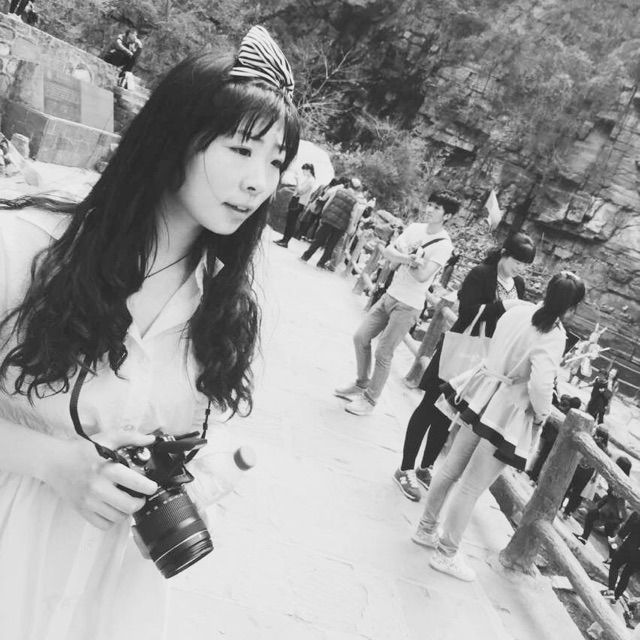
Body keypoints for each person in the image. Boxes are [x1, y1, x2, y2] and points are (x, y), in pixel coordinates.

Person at [0, 26, 299, 640]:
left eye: (276, 161)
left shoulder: (222, 308)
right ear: (175, 137)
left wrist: (196, 481)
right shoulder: (29, 251)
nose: (259, 181)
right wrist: (54, 461)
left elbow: (190, 436)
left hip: (109, 596)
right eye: (241, 149)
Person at [412, 271, 586, 582]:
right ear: (571, 308)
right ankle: (446, 553)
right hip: (506, 411)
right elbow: (541, 384)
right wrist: (542, 414)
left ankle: (426, 529)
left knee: (451, 468)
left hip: (482, 395)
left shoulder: (519, 309)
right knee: (471, 486)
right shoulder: (554, 333)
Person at [393, 233, 536, 501]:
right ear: (504, 254)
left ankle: (426, 466)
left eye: (525, 265)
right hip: (460, 349)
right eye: (517, 261)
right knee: (429, 407)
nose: (520, 268)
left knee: (448, 413)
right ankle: (405, 467)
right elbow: (468, 312)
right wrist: (503, 306)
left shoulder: (518, 284)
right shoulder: (481, 274)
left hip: (483, 360)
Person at [335, 192, 458, 416]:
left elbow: (424, 276)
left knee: (384, 352)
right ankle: (361, 383)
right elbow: (390, 252)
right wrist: (409, 259)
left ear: (447, 215)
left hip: (409, 305)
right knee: (360, 337)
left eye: (437, 208)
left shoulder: (444, 245)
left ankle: (370, 400)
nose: (429, 210)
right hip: (390, 295)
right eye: (429, 204)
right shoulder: (415, 228)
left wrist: (403, 258)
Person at [300, 177, 363, 268]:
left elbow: (328, 203)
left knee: (318, 239)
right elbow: (352, 216)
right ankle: (321, 263)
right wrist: (349, 228)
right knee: (331, 244)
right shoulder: (355, 201)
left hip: (329, 219)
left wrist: (324, 214)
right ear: (357, 189)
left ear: (349, 184)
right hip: (341, 226)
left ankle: (306, 256)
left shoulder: (338, 191)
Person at [575, 456, 631, 545]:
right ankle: (584, 538)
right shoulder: (618, 477)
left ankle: (584, 538)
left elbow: (618, 498)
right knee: (593, 518)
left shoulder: (623, 483)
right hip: (611, 507)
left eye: (617, 464)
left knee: (608, 532)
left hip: (614, 509)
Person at [527, 394, 581, 483]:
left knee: (539, 454)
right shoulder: (569, 415)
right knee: (544, 458)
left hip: (546, 433)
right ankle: (535, 475)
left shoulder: (557, 407)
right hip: (553, 438)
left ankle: (531, 470)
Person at [561, 426, 609, 518]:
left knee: (571, 487)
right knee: (576, 492)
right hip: (586, 470)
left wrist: (595, 476)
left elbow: (599, 465)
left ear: (601, 437)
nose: (594, 434)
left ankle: (563, 507)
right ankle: (567, 511)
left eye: (596, 433)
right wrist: (595, 476)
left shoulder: (594, 443)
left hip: (583, 468)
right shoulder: (602, 448)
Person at [274, 162, 315, 247]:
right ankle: (284, 239)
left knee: (291, 222)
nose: (303, 172)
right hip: (296, 200)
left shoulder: (311, 180)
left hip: (299, 202)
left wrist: (297, 181)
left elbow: (300, 190)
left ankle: (286, 241)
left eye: (304, 170)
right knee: (289, 220)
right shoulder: (308, 179)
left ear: (309, 170)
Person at [602, 512, 640, 603]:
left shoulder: (637, 514)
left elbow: (627, 528)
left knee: (614, 564)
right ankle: (616, 597)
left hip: (629, 547)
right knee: (626, 574)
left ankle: (611, 590)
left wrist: (616, 539)